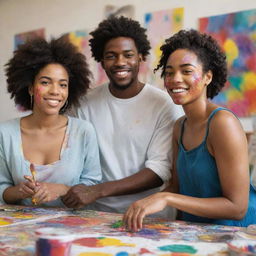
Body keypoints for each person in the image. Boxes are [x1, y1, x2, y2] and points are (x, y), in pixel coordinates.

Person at [124, 29, 256, 230]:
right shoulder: (180, 126)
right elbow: (177, 189)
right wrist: (146, 203)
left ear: (207, 77)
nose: (175, 79)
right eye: (169, 72)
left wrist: (166, 197)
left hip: (237, 234)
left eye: (186, 71)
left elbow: (237, 207)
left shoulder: (222, 123)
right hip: (198, 232)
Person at [62, 16, 182, 217]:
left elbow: (159, 171)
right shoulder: (83, 103)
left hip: (149, 217)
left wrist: (97, 190)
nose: (120, 62)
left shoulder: (164, 104)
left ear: (141, 57)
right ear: (101, 60)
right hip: (95, 214)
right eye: (111, 56)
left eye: (128, 55)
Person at [0, 36, 102, 207]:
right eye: (46, 82)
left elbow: (92, 186)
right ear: (31, 88)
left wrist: (61, 189)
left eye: (63, 85)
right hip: (20, 230)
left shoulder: (83, 131)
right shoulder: (5, 133)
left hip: (72, 228)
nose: (55, 91)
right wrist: (19, 191)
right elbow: (2, 188)